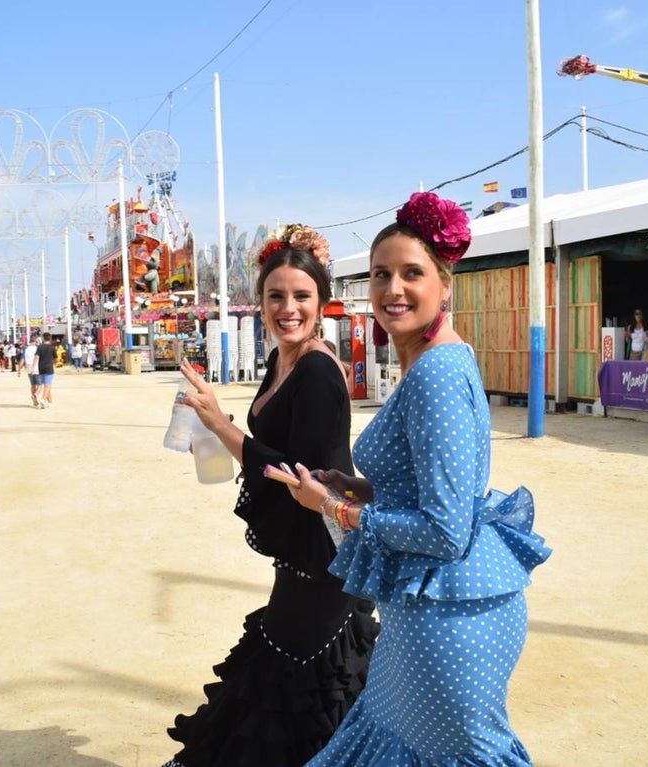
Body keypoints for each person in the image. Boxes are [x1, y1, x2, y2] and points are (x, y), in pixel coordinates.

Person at [285, 193, 551, 766]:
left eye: (412, 273)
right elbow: (431, 490)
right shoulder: (432, 362)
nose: (392, 289)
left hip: (449, 620)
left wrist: (334, 510)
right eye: (381, 274)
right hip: (435, 608)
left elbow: (445, 530)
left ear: (445, 284)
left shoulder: (436, 372)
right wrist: (355, 489)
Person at [163, 223, 378, 767]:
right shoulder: (282, 359)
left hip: (325, 554)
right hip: (305, 554)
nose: (288, 308)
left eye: (302, 296)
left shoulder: (317, 371)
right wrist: (220, 431)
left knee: (290, 681)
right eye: (275, 296)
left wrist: (224, 427)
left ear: (322, 301)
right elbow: (273, 447)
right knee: (300, 680)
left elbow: (299, 472)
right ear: (258, 302)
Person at [33, 332, 56, 408]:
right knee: (47, 385)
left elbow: (36, 357)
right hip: (49, 368)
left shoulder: (39, 347)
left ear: (43, 338)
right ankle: (43, 400)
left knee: (47, 385)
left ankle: (50, 403)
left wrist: (33, 368)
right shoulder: (52, 347)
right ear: (50, 338)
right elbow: (56, 358)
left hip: (41, 368)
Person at [20, 335, 40, 406]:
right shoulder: (38, 348)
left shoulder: (26, 349)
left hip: (28, 368)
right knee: (40, 384)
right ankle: (35, 395)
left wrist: (19, 370)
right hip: (37, 368)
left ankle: (34, 397)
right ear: (35, 341)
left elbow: (22, 359)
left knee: (33, 385)